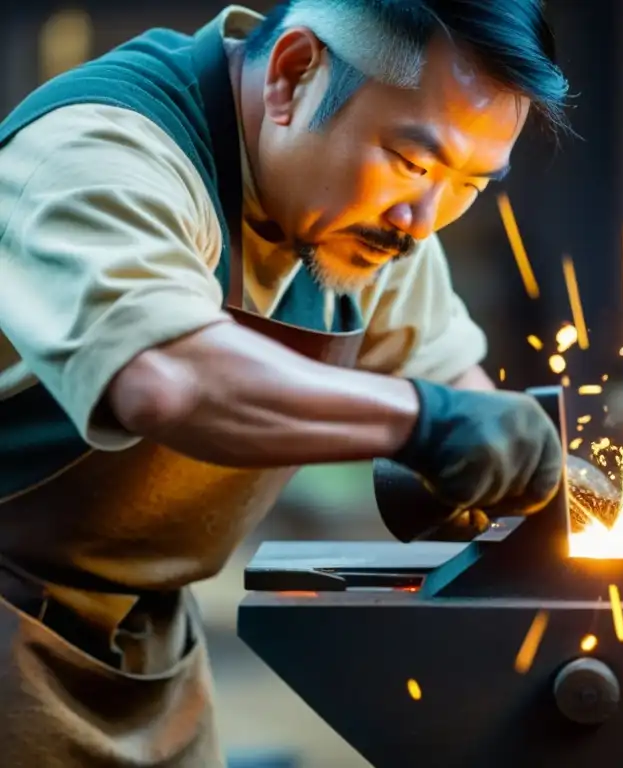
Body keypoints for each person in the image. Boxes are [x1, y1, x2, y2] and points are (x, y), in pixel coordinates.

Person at [0, 1, 570, 765]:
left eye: (470, 182)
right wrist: (424, 423)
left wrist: (542, 482)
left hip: (150, 648)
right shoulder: (100, 150)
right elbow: (165, 377)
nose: (425, 217)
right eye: (414, 161)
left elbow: (462, 395)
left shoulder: (371, 222)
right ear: (294, 74)